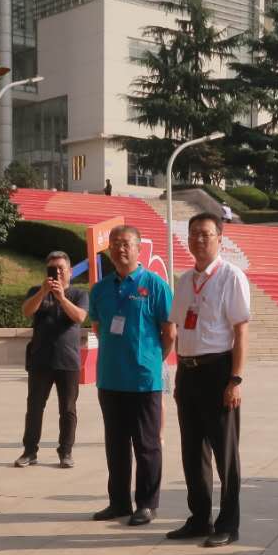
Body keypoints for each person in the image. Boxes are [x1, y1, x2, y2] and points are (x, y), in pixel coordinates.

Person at [167, 213, 250, 547]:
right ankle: (199, 518)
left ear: (220, 238)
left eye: (205, 234)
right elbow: (177, 329)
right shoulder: (185, 280)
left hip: (218, 371)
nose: (198, 240)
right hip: (188, 372)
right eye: (193, 234)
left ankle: (228, 524)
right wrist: (177, 375)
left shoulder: (232, 277)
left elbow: (241, 332)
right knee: (192, 451)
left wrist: (236, 380)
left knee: (224, 453)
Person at [89, 225, 175, 526]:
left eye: (126, 243)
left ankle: (147, 504)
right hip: (110, 379)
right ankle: (119, 502)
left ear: (139, 248)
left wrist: (150, 361)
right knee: (115, 446)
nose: (120, 249)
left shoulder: (155, 285)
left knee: (146, 445)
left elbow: (169, 332)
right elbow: (98, 327)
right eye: (115, 243)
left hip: (143, 381)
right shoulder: (100, 289)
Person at [14, 252, 89, 469]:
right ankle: (29, 452)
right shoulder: (36, 291)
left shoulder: (78, 294)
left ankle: (65, 452)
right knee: (35, 408)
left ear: (70, 271)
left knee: (68, 409)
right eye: (52, 269)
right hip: (40, 360)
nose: (57, 273)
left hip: (68, 361)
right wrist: (43, 292)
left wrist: (61, 298)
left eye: (61, 269)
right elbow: (27, 311)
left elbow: (80, 317)